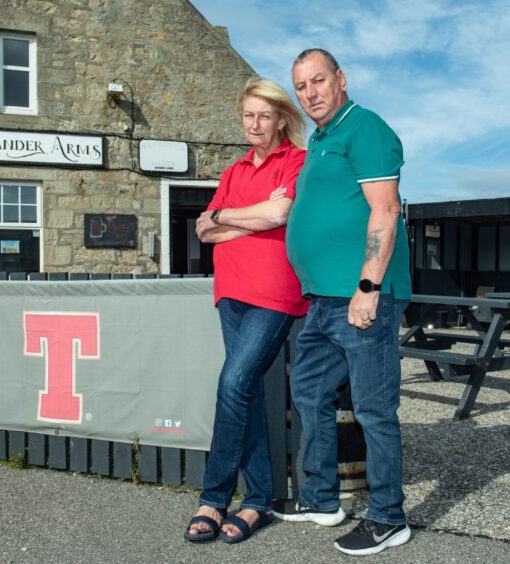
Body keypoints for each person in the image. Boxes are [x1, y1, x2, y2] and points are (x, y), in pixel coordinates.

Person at [273, 48, 412, 556]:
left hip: (360, 298)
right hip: (324, 302)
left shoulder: (365, 128)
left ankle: (388, 518)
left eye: (318, 81)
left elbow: (385, 208)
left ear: (341, 79)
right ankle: (321, 499)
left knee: (375, 409)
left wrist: (369, 288)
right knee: (309, 391)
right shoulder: (321, 139)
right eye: (301, 86)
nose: (309, 93)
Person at [183, 77, 308, 545]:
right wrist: (242, 215)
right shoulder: (235, 170)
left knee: (233, 382)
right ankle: (257, 501)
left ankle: (213, 497)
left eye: (264, 116)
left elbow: (280, 216)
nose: (256, 124)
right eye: (248, 116)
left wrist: (227, 216)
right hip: (230, 290)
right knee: (248, 391)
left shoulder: (296, 160)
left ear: (281, 119)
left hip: (274, 293)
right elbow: (203, 230)